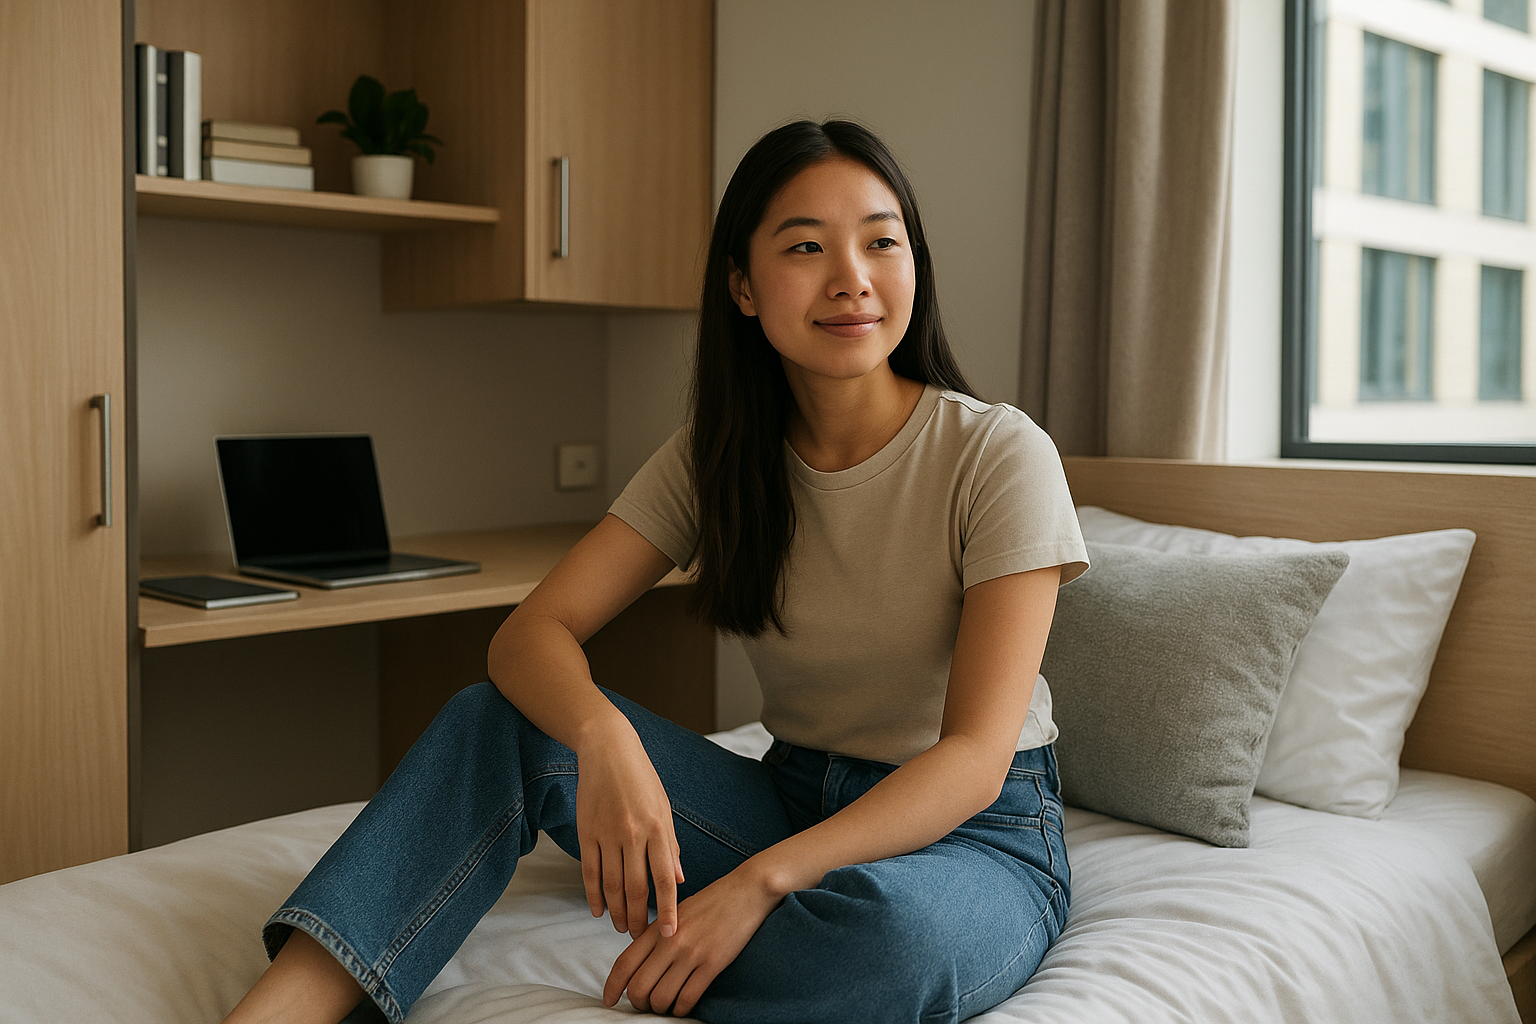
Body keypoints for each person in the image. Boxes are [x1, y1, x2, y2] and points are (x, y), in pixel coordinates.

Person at [221, 119, 1088, 1024]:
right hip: (788, 796)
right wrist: (605, 739)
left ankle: (732, 956)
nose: (852, 279)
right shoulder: (717, 460)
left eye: (881, 241)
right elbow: (529, 636)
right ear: (744, 287)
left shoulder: (997, 454)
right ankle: (293, 1005)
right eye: (805, 246)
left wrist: (759, 883)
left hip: (973, 838)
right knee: (500, 722)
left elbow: (974, 761)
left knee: (897, 945)